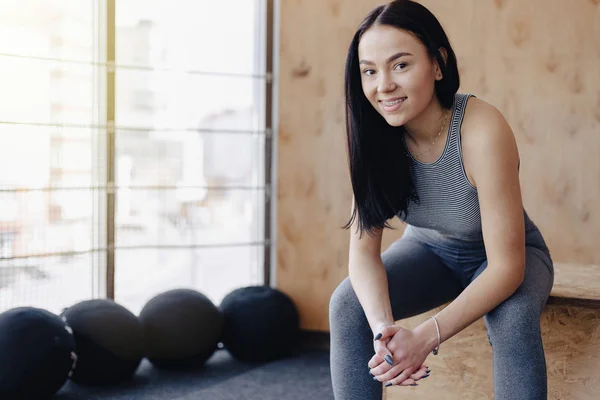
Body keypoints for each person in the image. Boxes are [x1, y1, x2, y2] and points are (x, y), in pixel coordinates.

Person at [328, 1, 554, 399]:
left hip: (504, 257)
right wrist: (384, 331)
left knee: (513, 316)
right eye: (369, 71)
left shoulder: (481, 129)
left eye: (400, 65)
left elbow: (506, 267)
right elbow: (363, 255)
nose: (383, 86)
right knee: (348, 303)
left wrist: (423, 338)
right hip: (429, 251)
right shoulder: (374, 137)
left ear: (437, 64)